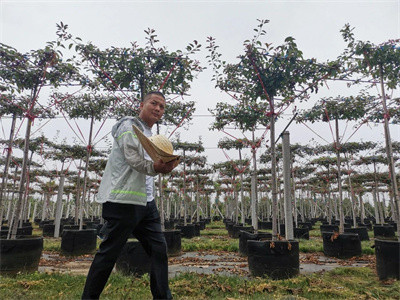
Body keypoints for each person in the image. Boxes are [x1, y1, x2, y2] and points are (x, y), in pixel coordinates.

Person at [82, 91, 176, 300]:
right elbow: (133, 158)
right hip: (123, 202)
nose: (158, 109)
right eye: (154, 103)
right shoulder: (128, 126)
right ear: (141, 105)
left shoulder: (150, 135)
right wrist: (156, 167)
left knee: (159, 250)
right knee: (109, 253)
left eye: (162, 106)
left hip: (146, 203)